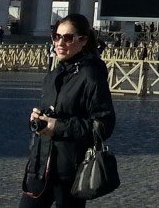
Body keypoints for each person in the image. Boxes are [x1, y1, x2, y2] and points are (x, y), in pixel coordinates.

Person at [21, 14, 116, 207]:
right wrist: (38, 118)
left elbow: (104, 124)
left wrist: (59, 127)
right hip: (40, 165)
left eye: (68, 38)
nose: (60, 42)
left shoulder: (91, 76)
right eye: (56, 36)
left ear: (83, 41)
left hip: (70, 171)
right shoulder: (53, 75)